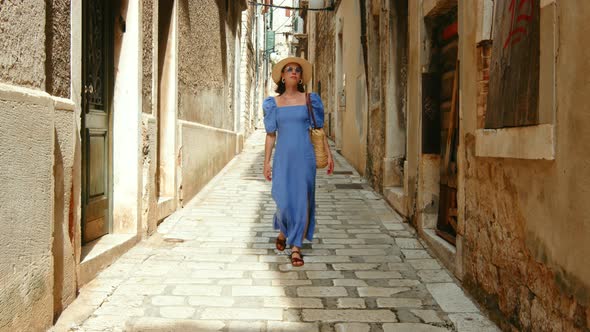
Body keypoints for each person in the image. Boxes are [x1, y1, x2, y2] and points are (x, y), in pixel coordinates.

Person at [263, 57, 334, 267]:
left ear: (301, 77)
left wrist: (329, 155)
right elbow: (270, 135)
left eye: (297, 70)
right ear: (283, 77)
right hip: (283, 160)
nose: (294, 72)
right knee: (283, 200)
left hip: (305, 158)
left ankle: (296, 248)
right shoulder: (272, 103)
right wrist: (266, 162)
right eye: (289, 69)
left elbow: (319, 131)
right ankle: (284, 231)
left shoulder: (310, 100)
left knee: (302, 201)